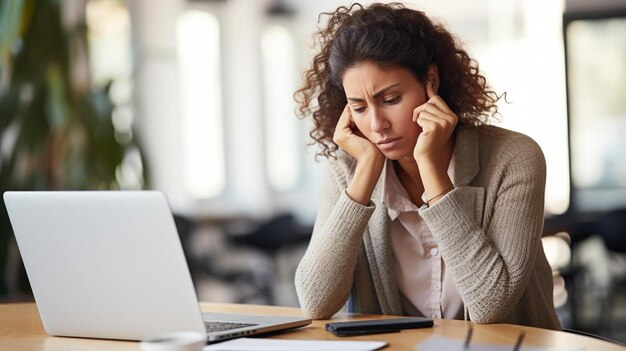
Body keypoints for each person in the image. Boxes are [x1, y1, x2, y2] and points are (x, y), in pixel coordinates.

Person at [293, 2, 561, 330]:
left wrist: (430, 168)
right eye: (359, 107)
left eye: (391, 100)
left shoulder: (514, 158)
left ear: (430, 81)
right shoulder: (348, 170)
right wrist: (364, 174)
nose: (377, 125)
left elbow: (491, 303)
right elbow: (315, 302)